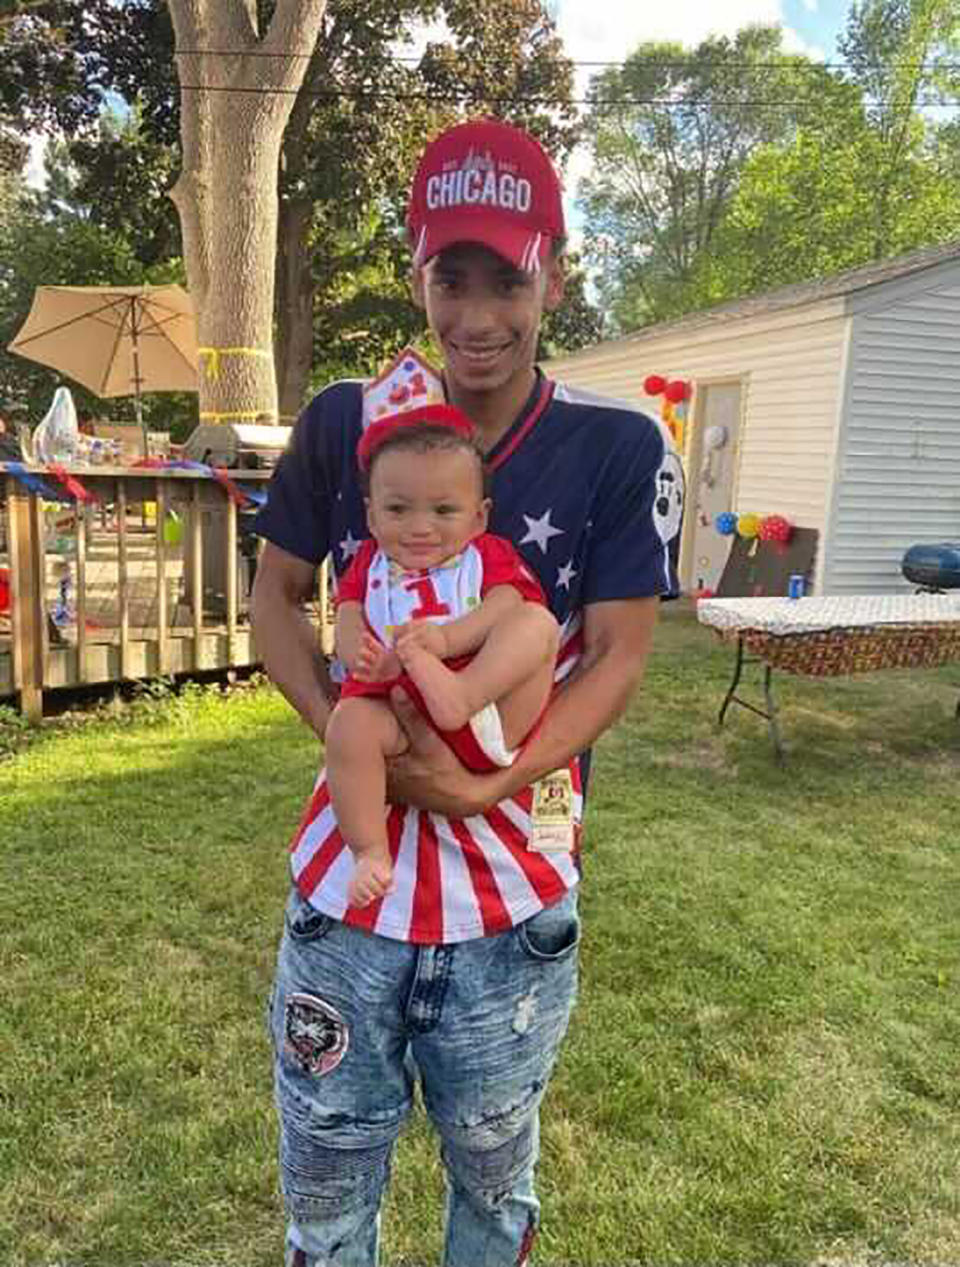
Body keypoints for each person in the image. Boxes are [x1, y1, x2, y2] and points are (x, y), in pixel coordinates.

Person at [251, 116, 683, 1267]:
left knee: (495, 1180)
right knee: (330, 1181)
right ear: (416, 273)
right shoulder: (348, 421)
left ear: (554, 272)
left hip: (515, 894)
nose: (479, 314)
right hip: (354, 895)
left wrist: (486, 776)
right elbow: (274, 602)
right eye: (453, 276)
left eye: (509, 277)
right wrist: (371, 747)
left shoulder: (617, 447)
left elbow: (621, 655)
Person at [328, 404, 559, 909]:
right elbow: (347, 610)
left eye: (443, 511)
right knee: (347, 724)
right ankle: (369, 850)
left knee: (538, 623)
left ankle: (460, 691)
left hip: (484, 712)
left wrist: (448, 642)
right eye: (397, 510)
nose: (419, 528)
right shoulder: (368, 562)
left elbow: (508, 602)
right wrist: (355, 650)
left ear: (479, 517)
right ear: (370, 514)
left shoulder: (488, 554)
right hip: (400, 717)